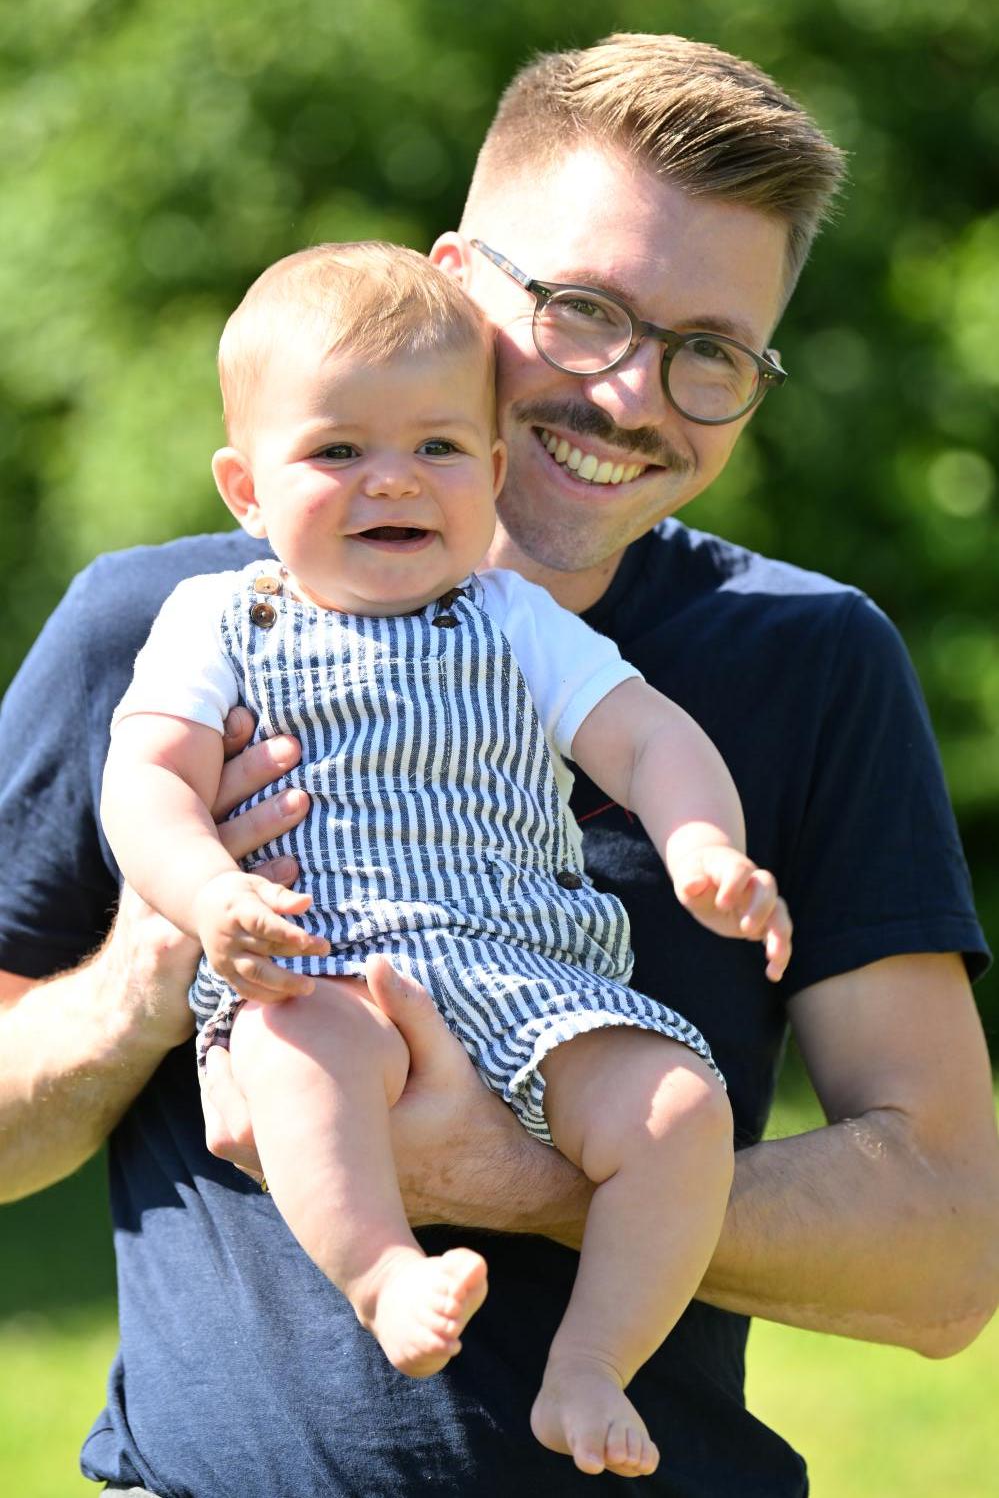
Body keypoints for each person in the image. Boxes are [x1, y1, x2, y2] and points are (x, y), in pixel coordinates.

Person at [0, 31, 995, 1498]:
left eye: (706, 352)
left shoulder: (805, 658)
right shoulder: (163, 632)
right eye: (584, 310)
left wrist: (516, 1178)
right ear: (456, 280)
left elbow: (945, 1253)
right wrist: (152, 971)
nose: (629, 395)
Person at [101, 239, 793, 1479]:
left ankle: (589, 1368)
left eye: (435, 448)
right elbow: (145, 778)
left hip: (529, 975)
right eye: (337, 452)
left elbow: (645, 736)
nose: (392, 483)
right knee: (296, 1050)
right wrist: (210, 892)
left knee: (683, 1113)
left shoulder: (512, 618)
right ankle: (382, 1273)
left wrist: (703, 847)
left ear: (486, 469)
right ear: (245, 489)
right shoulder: (217, 618)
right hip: (327, 961)